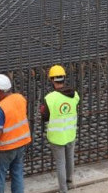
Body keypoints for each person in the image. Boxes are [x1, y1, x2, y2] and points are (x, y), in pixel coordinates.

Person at [0, 74, 31, 193]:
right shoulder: (20, 98)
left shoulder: (0, 108)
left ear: (0, 90)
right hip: (21, 143)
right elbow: (14, 118)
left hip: (5, 147)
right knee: (17, 173)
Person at [40, 65, 80, 193]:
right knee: (70, 160)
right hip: (70, 133)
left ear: (52, 80)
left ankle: (64, 190)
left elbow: (45, 117)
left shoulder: (50, 98)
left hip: (57, 137)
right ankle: (69, 182)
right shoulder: (75, 95)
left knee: (60, 163)